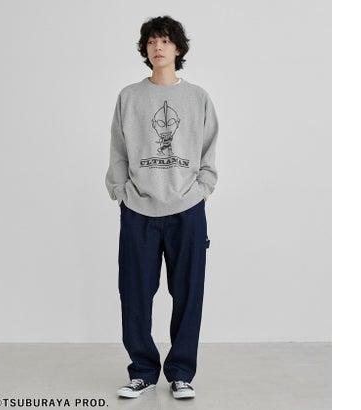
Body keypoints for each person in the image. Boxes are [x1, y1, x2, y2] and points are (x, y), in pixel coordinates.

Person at [105, 15, 218, 400]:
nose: (158, 47)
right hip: (138, 209)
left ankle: (181, 373)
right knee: (134, 292)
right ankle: (142, 372)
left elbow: (209, 151)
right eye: (152, 41)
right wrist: (121, 191)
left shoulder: (198, 98)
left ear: (178, 48)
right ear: (145, 49)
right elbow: (118, 150)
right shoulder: (129, 97)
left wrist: (203, 188)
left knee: (188, 293)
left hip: (188, 209)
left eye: (166, 41)